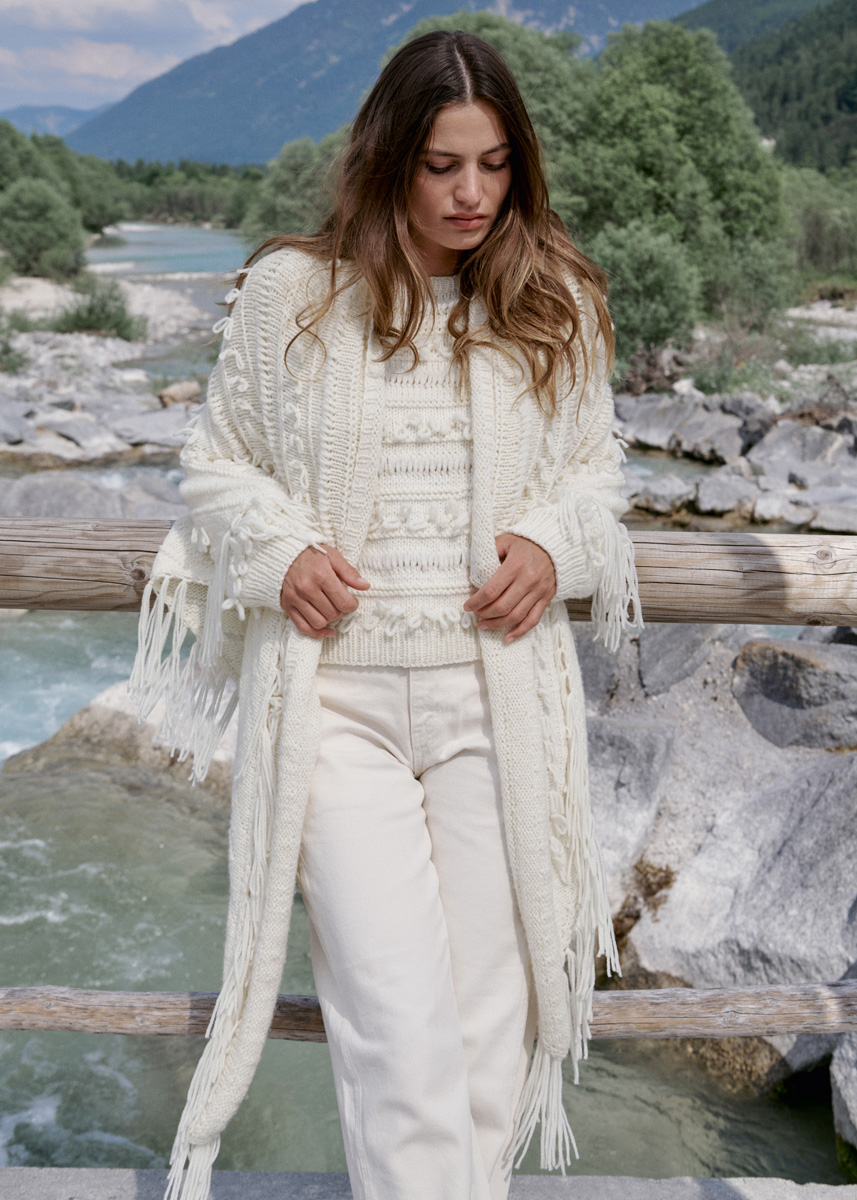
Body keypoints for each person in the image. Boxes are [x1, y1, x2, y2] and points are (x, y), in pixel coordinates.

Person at [130, 27, 641, 1200]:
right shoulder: (293, 294)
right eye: (440, 165)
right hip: (337, 708)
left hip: (497, 703)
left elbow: (592, 476)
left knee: (485, 1038)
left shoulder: (555, 297)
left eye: (494, 165)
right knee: (397, 1038)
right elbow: (216, 462)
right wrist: (278, 551)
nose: (470, 194)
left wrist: (552, 543)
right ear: (388, 158)